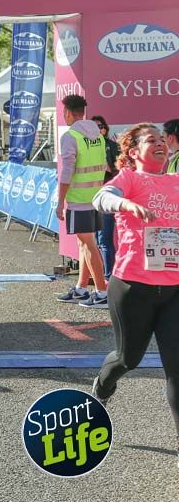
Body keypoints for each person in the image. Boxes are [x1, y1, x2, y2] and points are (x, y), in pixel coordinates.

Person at [91, 123, 179, 465]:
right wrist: (126, 205)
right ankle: (102, 386)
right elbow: (101, 198)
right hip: (133, 286)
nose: (160, 144)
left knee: (177, 367)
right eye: (150, 140)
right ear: (133, 152)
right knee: (130, 358)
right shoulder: (130, 178)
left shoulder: (175, 180)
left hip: (174, 289)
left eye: (162, 140)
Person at [56, 95, 109, 308]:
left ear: (68, 112)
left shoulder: (71, 136)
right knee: (84, 242)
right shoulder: (98, 135)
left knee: (89, 244)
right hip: (95, 197)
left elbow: (67, 171)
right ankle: (81, 288)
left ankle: (102, 292)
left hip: (79, 199)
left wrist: (60, 202)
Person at [91, 115, 121, 282]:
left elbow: (120, 172)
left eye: (101, 126)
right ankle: (101, 275)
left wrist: (107, 166)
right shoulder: (86, 146)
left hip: (107, 196)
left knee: (104, 238)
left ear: (106, 128)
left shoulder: (112, 146)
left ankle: (109, 276)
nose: (98, 129)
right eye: (94, 127)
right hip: (90, 196)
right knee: (94, 240)